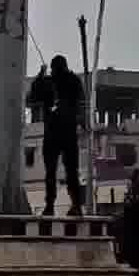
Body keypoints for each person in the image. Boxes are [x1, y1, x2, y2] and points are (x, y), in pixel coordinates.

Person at [28, 55, 85, 216]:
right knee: (72, 171)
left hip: (52, 132)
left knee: (51, 172)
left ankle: (50, 206)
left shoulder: (48, 82)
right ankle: (76, 205)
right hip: (69, 132)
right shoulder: (74, 81)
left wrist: (40, 74)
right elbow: (81, 101)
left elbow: (33, 96)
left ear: (53, 68)